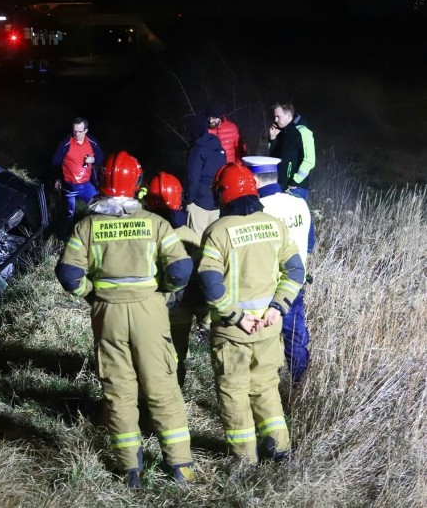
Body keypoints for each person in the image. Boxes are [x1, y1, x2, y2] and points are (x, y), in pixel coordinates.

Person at [56, 152, 197, 488]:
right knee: (162, 386)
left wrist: (92, 292)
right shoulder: (155, 223)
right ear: (137, 185)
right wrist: (161, 291)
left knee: (118, 391)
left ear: (103, 183)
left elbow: (69, 273)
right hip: (150, 311)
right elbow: (180, 269)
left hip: (108, 314)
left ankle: (129, 468)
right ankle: (180, 465)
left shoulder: (87, 226)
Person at [198, 162, 305, 464]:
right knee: (266, 387)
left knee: (234, 392)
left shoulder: (217, 231)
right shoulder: (275, 225)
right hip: (269, 328)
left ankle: (245, 459)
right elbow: (296, 270)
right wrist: (278, 307)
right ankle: (279, 448)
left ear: (223, 193)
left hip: (233, 332)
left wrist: (236, 316)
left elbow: (210, 283)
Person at [243, 156, 314, 383]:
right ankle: (298, 384)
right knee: (295, 336)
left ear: (253, 179)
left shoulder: (257, 210)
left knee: (262, 341)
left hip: (265, 286)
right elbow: (310, 243)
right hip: (294, 283)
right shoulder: (299, 203)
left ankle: (263, 386)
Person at [144, 172, 208, 388]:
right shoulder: (190, 236)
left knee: (144, 356)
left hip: (144, 309)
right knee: (175, 357)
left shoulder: (141, 230)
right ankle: (173, 400)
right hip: (178, 312)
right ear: (179, 200)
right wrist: (204, 318)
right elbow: (200, 280)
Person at [51, 117, 104, 224]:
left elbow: (101, 156)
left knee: (99, 207)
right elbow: (55, 162)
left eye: (80, 131)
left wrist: (93, 160)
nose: (76, 134)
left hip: (86, 185)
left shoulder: (92, 142)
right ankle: (67, 232)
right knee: (69, 214)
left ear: (86, 131)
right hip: (69, 185)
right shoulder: (66, 143)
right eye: (74, 131)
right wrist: (57, 179)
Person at [184, 114, 227, 237]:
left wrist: (188, 200)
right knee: (213, 241)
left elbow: (193, 178)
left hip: (199, 203)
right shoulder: (220, 149)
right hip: (215, 202)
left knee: (196, 242)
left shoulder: (197, 150)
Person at [268, 103, 316, 201]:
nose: (275, 120)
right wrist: (272, 138)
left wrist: (294, 181)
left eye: (278, 116)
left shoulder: (303, 132)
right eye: (274, 117)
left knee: (299, 216)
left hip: (296, 189)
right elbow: (273, 158)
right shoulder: (282, 132)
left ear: (289, 115)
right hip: (281, 186)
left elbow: (309, 160)